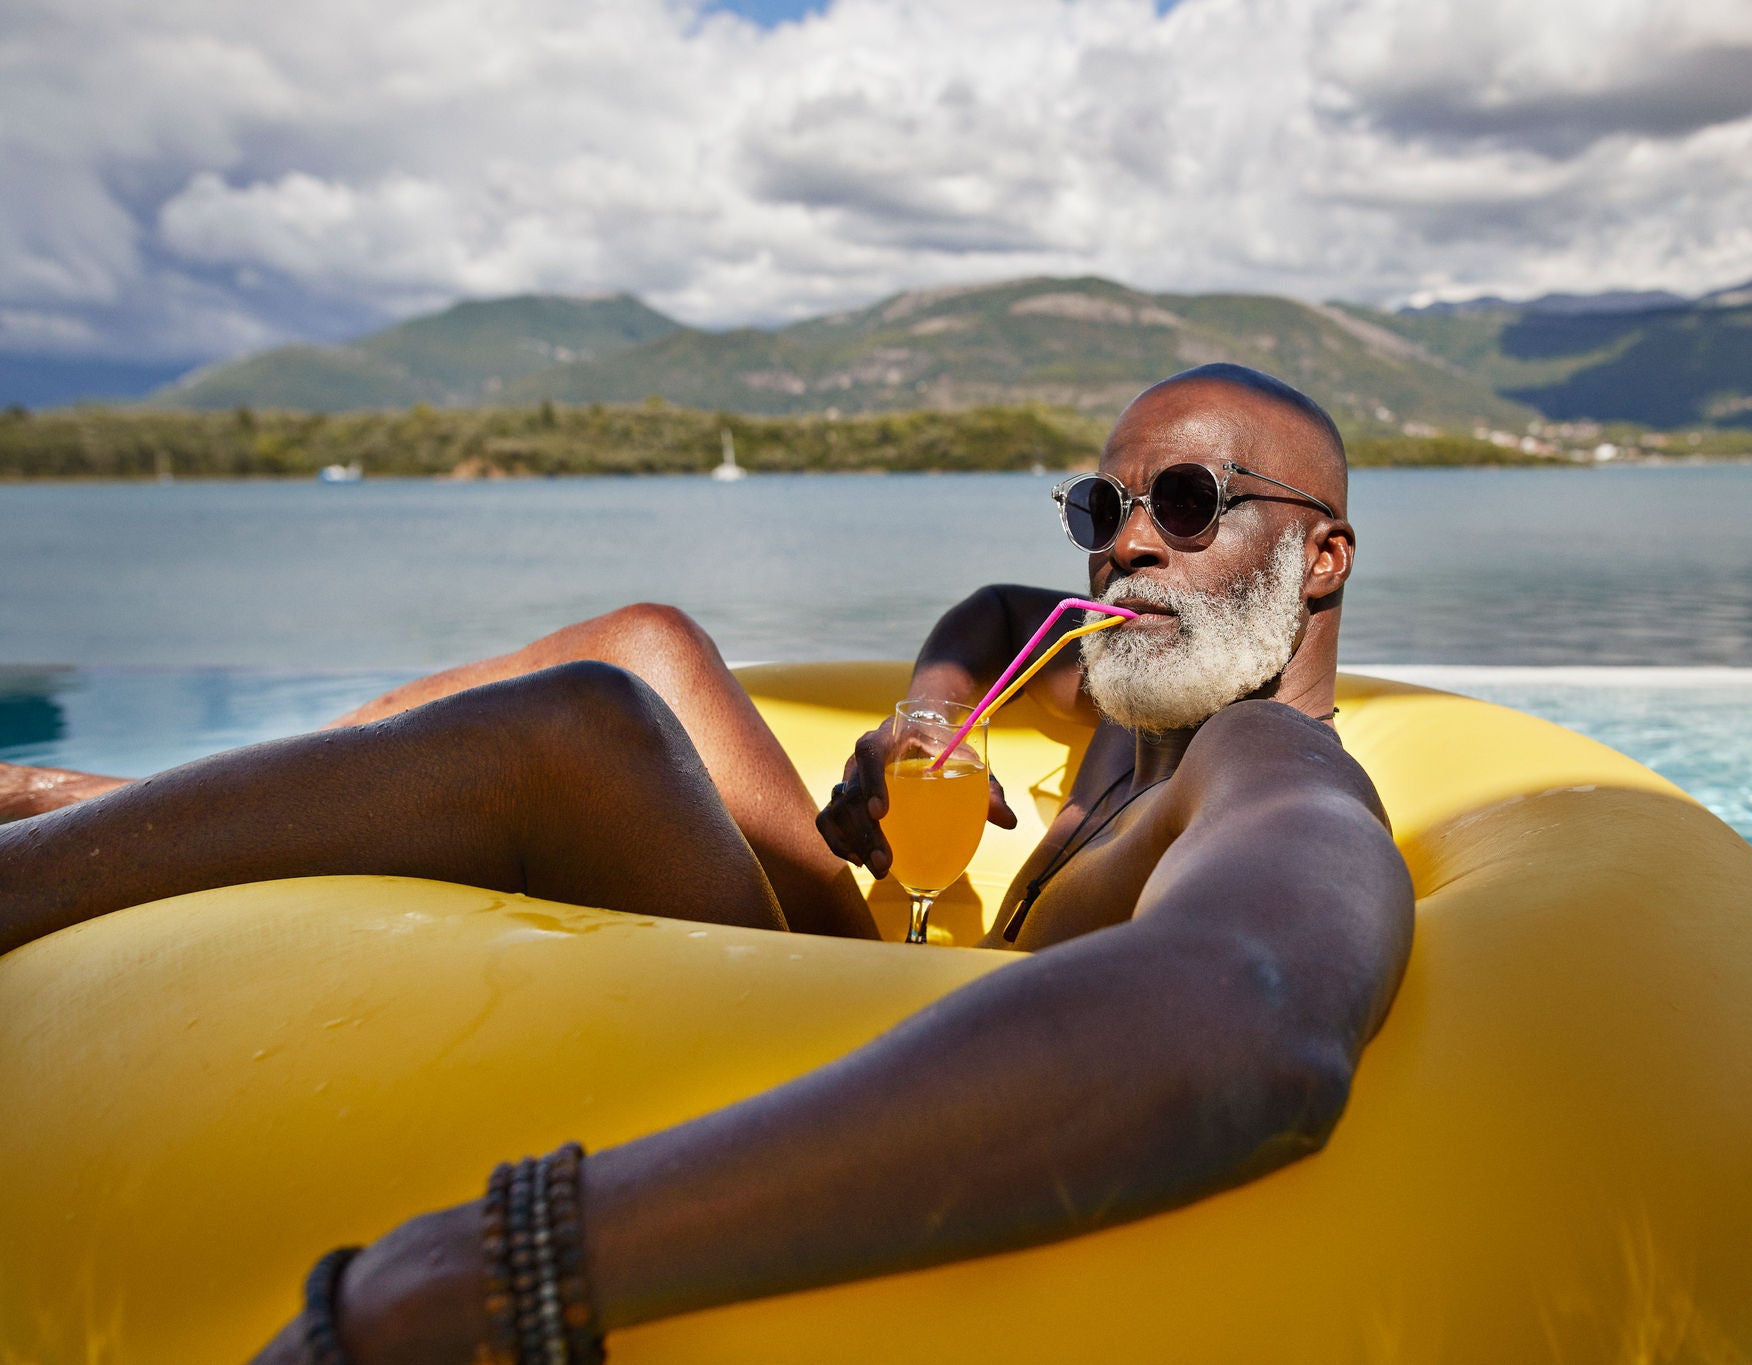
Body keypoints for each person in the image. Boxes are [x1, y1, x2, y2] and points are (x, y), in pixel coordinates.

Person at [0, 364, 1415, 1364]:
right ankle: (133, 805)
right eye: (1098, 514)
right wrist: (929, 710)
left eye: (1185, 499)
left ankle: (36, 875)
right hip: (879, 961)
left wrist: (510, 1267)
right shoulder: (1127, 668)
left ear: (1325, 553)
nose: (1128, 554)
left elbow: (1256, 1015)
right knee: (650, 648)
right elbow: (996, 611)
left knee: (584, 730)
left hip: (899, 1055)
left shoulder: (1266, 766)